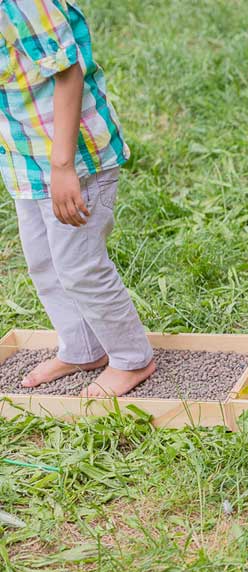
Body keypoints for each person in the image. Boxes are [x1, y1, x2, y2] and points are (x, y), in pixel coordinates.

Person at [1, 0, 155, 396]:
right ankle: (83, 348)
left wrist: (63, 166)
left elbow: (68, 72)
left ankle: (131, 358)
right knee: (45, 263)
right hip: (26, 162)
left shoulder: (23, 6)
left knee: (79, 266)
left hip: (72, 160)